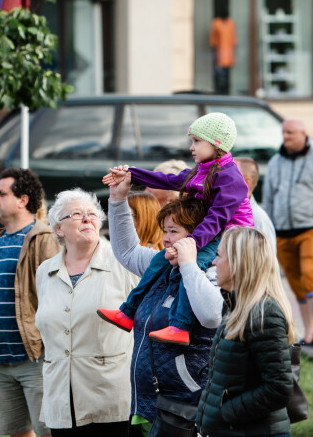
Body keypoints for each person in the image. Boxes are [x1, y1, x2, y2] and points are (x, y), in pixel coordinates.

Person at [102, 112, 253, 344]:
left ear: (217, 144)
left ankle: (179, 326)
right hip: (208, 235)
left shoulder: (230, 177)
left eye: (197, 141)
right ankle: (127, 312)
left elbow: (217, 218)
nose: (191, 147)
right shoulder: (201, 170)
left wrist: (189, 244)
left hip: (231, 241)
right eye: (191, 141)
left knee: (188, 265)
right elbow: (167, 180)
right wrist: (131, 174)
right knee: (158, 261)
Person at [106, 173, 223, 433]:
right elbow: (126, 251)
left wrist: (189, 264)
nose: (166, 239)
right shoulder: (161, 265)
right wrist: (118, 199)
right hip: (147, 405)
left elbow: (212, 316)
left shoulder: (212, 271)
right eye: (165, 231)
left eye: (174, 232)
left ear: (197, 237)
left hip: (186, 409)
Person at [35, 189, 138, 435]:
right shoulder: (45, 271)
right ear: (59, 229)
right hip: (60, 398)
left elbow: (146, 320)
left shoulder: (124, 262)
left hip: (110, 398)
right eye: (77, 214)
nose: (87, 219)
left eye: (92, 214)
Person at [0, 168, 61, 437]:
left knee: (47, 432)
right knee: (15, 433)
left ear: (23, 200)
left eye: (1, 193)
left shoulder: (44, 239)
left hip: (34, 358)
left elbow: (57, 297)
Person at [195, 227, 298, 437]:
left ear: (238, 263)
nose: (214, 262)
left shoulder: (264, 313)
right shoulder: (235, 305)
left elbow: (278, 389)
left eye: (219, 256)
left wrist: (226, 414)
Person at [263, 119, 313, 348]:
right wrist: (268, 230)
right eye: (283, 133)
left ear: (303, 134)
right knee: (296, 281)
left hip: (312, 227)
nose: (286, 136)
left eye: (290, 132)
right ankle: (309, 334)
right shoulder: (276, 162)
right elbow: (269, 197)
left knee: (310, 274)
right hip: (282, 231)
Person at [234, 156, 276, 252]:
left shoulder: (258, 219)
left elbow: (266, 262)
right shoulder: (222, 211)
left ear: (246, 182)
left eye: (229, 176)